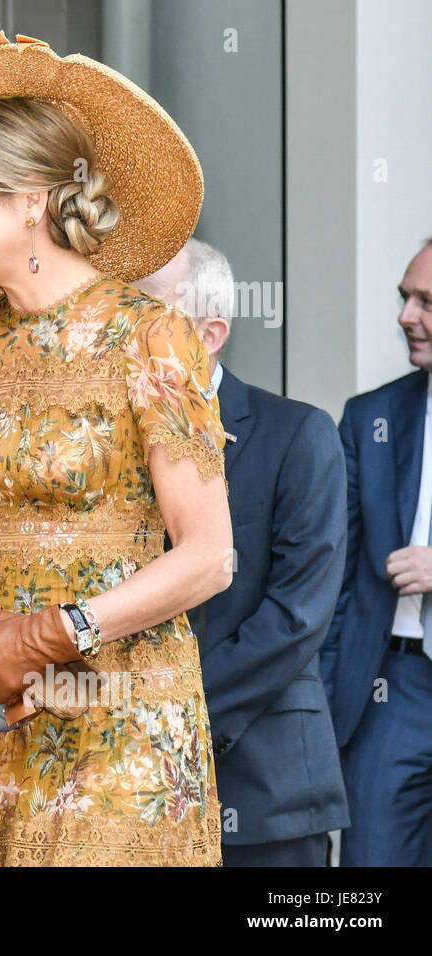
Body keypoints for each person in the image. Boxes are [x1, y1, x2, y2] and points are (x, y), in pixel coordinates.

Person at [0, 32, 231, 866]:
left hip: (118, 729)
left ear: (28, 199)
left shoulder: (153, 340)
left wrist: (56, 632)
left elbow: (210, 558)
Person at [137, 238, 350, 866]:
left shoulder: (300, 435)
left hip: (263, 781)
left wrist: (170, 709)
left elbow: (297, 617)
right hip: (120, 781)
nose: (125, 330)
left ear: (209, 334)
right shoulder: (105, 443)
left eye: (147, 312)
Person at [322, 237, 432, 866]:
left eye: (425, 301)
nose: (405, 316)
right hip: (392, 687)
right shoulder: (371, 418)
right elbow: (334, 580)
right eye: (403, 298)